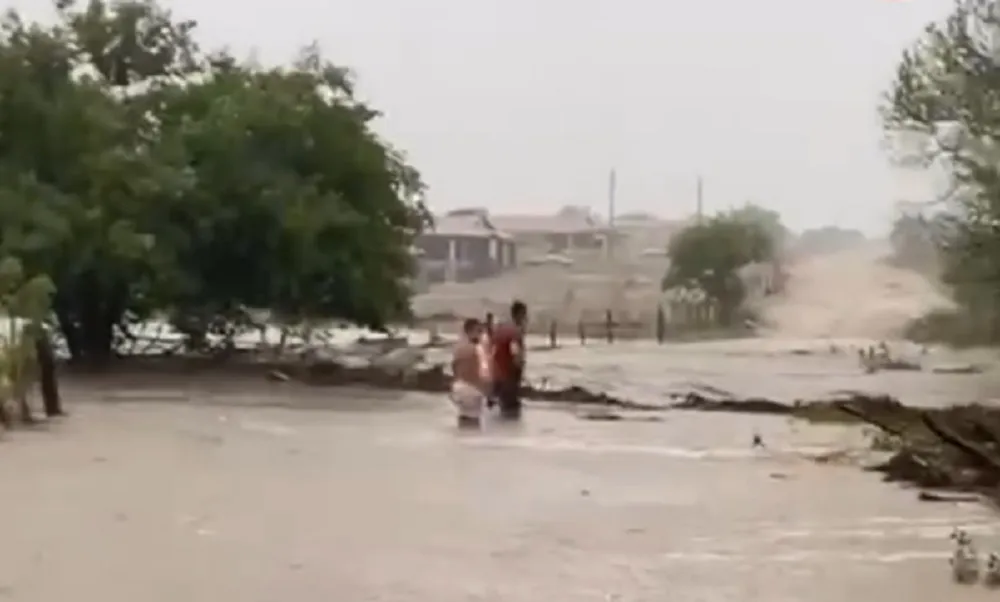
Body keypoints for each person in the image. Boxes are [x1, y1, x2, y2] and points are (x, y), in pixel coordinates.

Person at [491, 300, 527, 420]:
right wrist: (519, 368)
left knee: (501, 408)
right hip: (509, 376)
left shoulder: (500, 329)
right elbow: (515, 354)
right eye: (525, 316)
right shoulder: (515, 332)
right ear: (520, 315)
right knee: (511, 412)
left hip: (497, 374)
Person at [450, 318, 489, 429]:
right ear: (471, 331)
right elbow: (483, 372)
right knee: (474, 422)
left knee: (463, 417)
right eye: (479, 331)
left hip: (458, 387)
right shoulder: (477, 349)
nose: (481, 335)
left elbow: (454, 367)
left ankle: (462, 442)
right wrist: (486, 391)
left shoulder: (458, 348)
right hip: (472, 388)